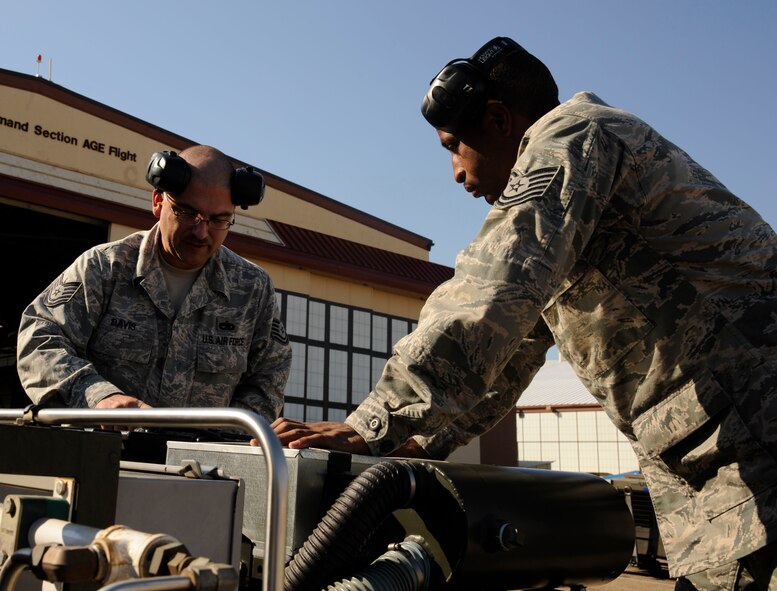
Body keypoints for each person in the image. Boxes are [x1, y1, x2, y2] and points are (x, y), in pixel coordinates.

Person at [271, 37, 777, 590]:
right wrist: (403, 447)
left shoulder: (573, 136)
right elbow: (507, 352)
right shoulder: (576, 202)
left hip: (753, 429)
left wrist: (367, 427)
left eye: (453, 146)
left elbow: (490, 295)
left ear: (498, 119)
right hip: (716, 452)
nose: (456, 173)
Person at [17, 145, 291, 422]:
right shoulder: (105, 267)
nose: (201, 231)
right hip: (103, 454)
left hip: (202, 463)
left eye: (219, 220)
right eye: (187, 213)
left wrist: (229, 437)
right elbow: (39, 338)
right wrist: (97, 395)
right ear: (158, 202)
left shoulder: (252, 289)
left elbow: (270, 373)